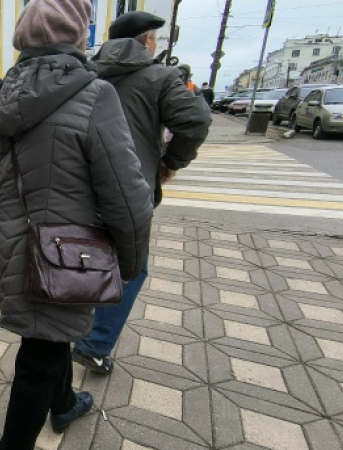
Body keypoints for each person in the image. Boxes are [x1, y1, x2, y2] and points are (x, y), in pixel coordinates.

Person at [0, 1, 153, 448]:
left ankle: (63, 403)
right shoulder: (95, 94)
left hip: (13, 252)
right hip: (69, 255)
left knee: (48, 338)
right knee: (38, 358)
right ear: (78, 34)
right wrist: (129, 263)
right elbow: (128, 199)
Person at [71, 11, 211, 375]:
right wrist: (170, 162)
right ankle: (95, 345)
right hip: (131, 194)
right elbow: (195, 121)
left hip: (83, 188)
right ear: (146, 41)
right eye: (155, 40)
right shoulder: (160, 77)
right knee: (132, 267)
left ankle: (70, 330)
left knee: (83, 258)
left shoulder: (85, 73)